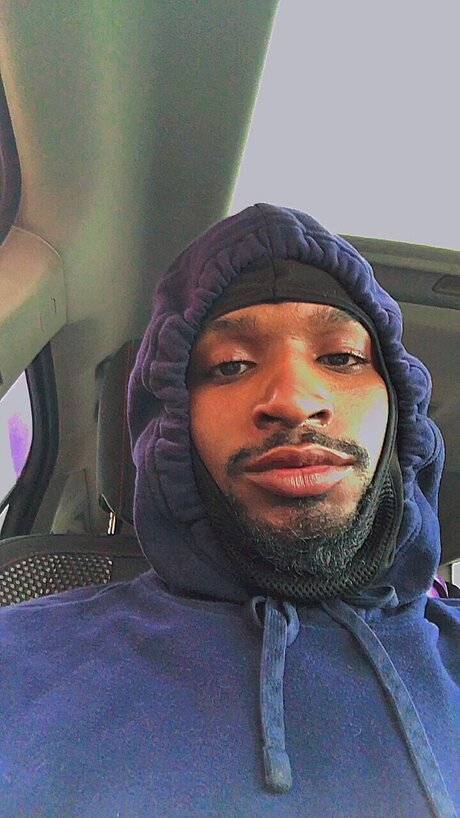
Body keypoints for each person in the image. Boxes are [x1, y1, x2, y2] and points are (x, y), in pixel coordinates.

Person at [0, 203, 458, 818]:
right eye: (231, 365)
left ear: (399, 409)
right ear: (171, 423)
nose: (294, 401)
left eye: (341, 358)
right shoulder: (18, 664)